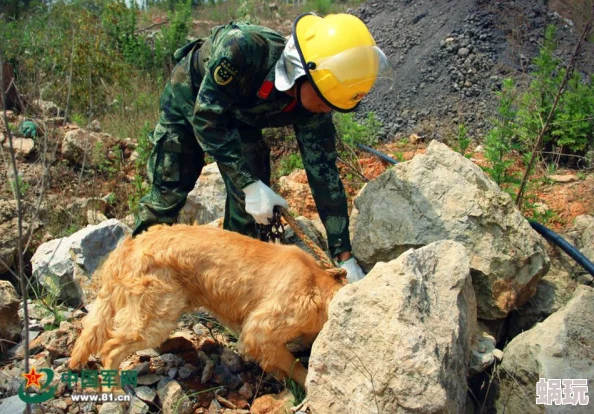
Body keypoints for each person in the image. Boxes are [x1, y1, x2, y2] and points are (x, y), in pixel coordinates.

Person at [133, 12, 393, 283]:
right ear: (302, 73)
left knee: (250, 204)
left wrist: (344, 256)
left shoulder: (317, 102)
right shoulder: (243, 49)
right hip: (192, 96)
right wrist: (248, 183)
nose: (327, 109)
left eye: (333, 103)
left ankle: (229, 284)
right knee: (170, 188)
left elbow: (324, 176)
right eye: (325, 100)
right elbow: (208, 118)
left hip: (242, 114)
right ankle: (135, 274)